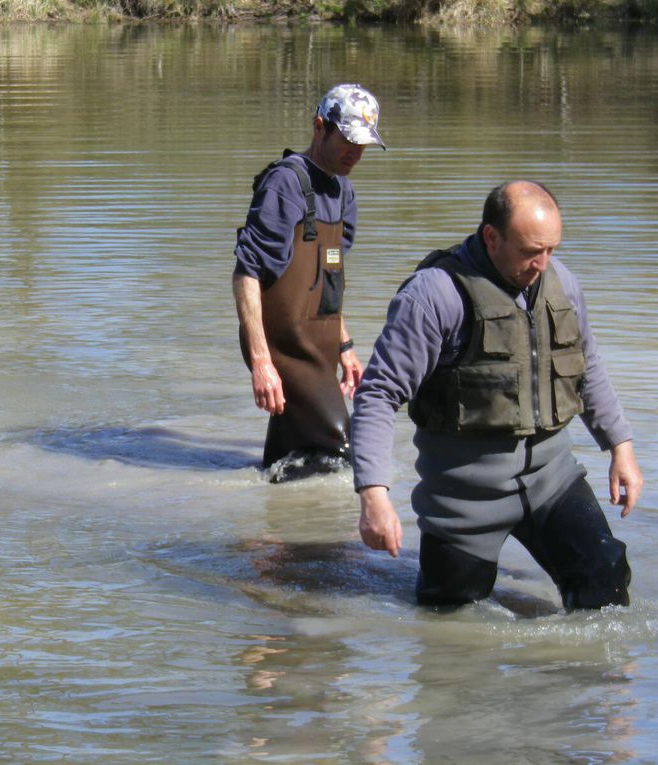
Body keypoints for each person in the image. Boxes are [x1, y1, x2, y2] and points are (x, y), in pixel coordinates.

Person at [352, 180, 643, 609]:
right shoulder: (434, 295)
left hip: (552, 479)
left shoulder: (560, 283)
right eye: (531, 251)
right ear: (492, 237)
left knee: (607, 582)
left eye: (552, 249)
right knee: (450, 625)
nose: (543, 264)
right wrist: (374, 496)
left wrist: (621, 447)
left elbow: (587, 366)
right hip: (463, 499)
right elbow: (377, 394)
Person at [232, 83, 385, 481]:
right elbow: (246, 274)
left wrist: (345, 345)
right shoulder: (285, 185)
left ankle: (274, 538)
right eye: (349, 141)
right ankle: (332, 541)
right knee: (343, 448)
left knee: (286, 465)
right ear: (320, 127)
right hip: (284, 351)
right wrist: (262, 362)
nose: (356, 153)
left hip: (320, 350)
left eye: (364, 145)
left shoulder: (343, 190)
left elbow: (327, 282)